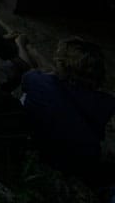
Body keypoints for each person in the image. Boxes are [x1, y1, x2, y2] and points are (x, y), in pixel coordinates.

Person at [18, 37, 115, 184]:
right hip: (81, 164)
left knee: (25, 97)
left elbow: (35, 71)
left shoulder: (37, 81)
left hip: (41, 150)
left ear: (61, 64)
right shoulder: (106, 103)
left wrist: (20, 44)